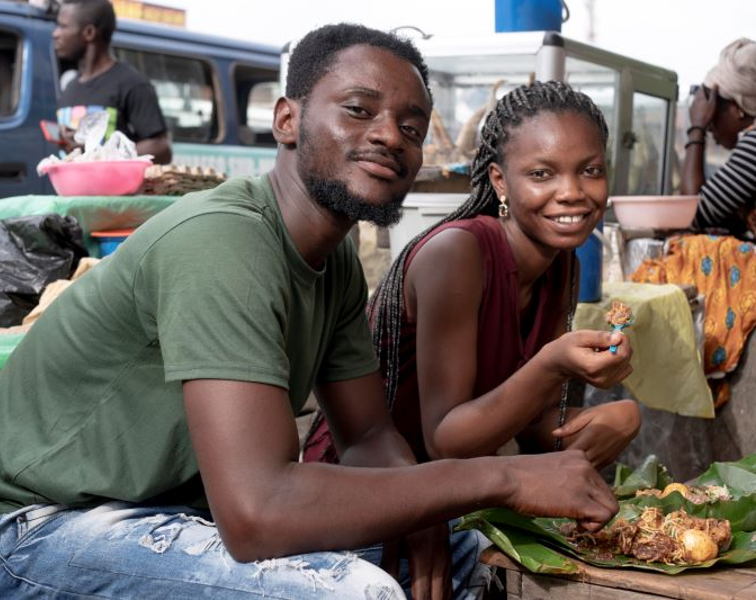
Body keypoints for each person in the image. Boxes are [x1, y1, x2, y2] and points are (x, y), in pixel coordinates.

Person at [0, 23, 619, 599]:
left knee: (466, 554)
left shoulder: (334, 259)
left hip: (171, 512)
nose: (388, 135)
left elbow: (371, 437)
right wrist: (500, 479)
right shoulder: (224, 240)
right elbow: (257, 511)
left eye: (411, 126)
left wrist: (425, 509)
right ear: (287, 120)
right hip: (37, 524)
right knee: (356, 591)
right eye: (359, 110)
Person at [305, 81, 640, 469]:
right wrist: (553, 364)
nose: (571, 192)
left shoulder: (564, 265)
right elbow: (445, 443)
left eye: (590, 170)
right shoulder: (457, 254)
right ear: (500, 181)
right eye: (542, 174)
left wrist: (601, 423)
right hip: (362, 484)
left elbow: (528, 427)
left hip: (454, 489)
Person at [681, 38, 756, 243]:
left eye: (711, 112)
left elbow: (690, 214)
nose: (710, 125)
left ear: (737, 109)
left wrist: (697, 128)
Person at [53, 0, 172, 164]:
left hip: (114, 190)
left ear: (89, 32)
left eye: (63, 26)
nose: (55, 34)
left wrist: (103, 155)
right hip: (70, 189)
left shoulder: (132, 84)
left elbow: (161, 148)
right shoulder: (70, 87)